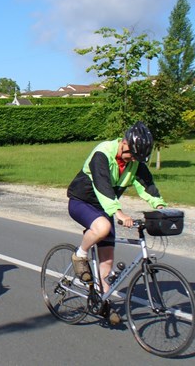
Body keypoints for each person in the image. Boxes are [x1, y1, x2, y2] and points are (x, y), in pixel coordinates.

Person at [67, 121, 166, 325]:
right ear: (124, 143)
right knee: (102, 228)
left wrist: (160, 207)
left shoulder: (135, 161)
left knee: (108, 261)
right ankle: (80, 255)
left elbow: (147, 185)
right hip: (82, 202)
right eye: (131, 155)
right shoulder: (102, 153)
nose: (133, 160)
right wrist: (119, 213)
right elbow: (103, 186)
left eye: (137, 158)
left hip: (105, 207)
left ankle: (102, 301)